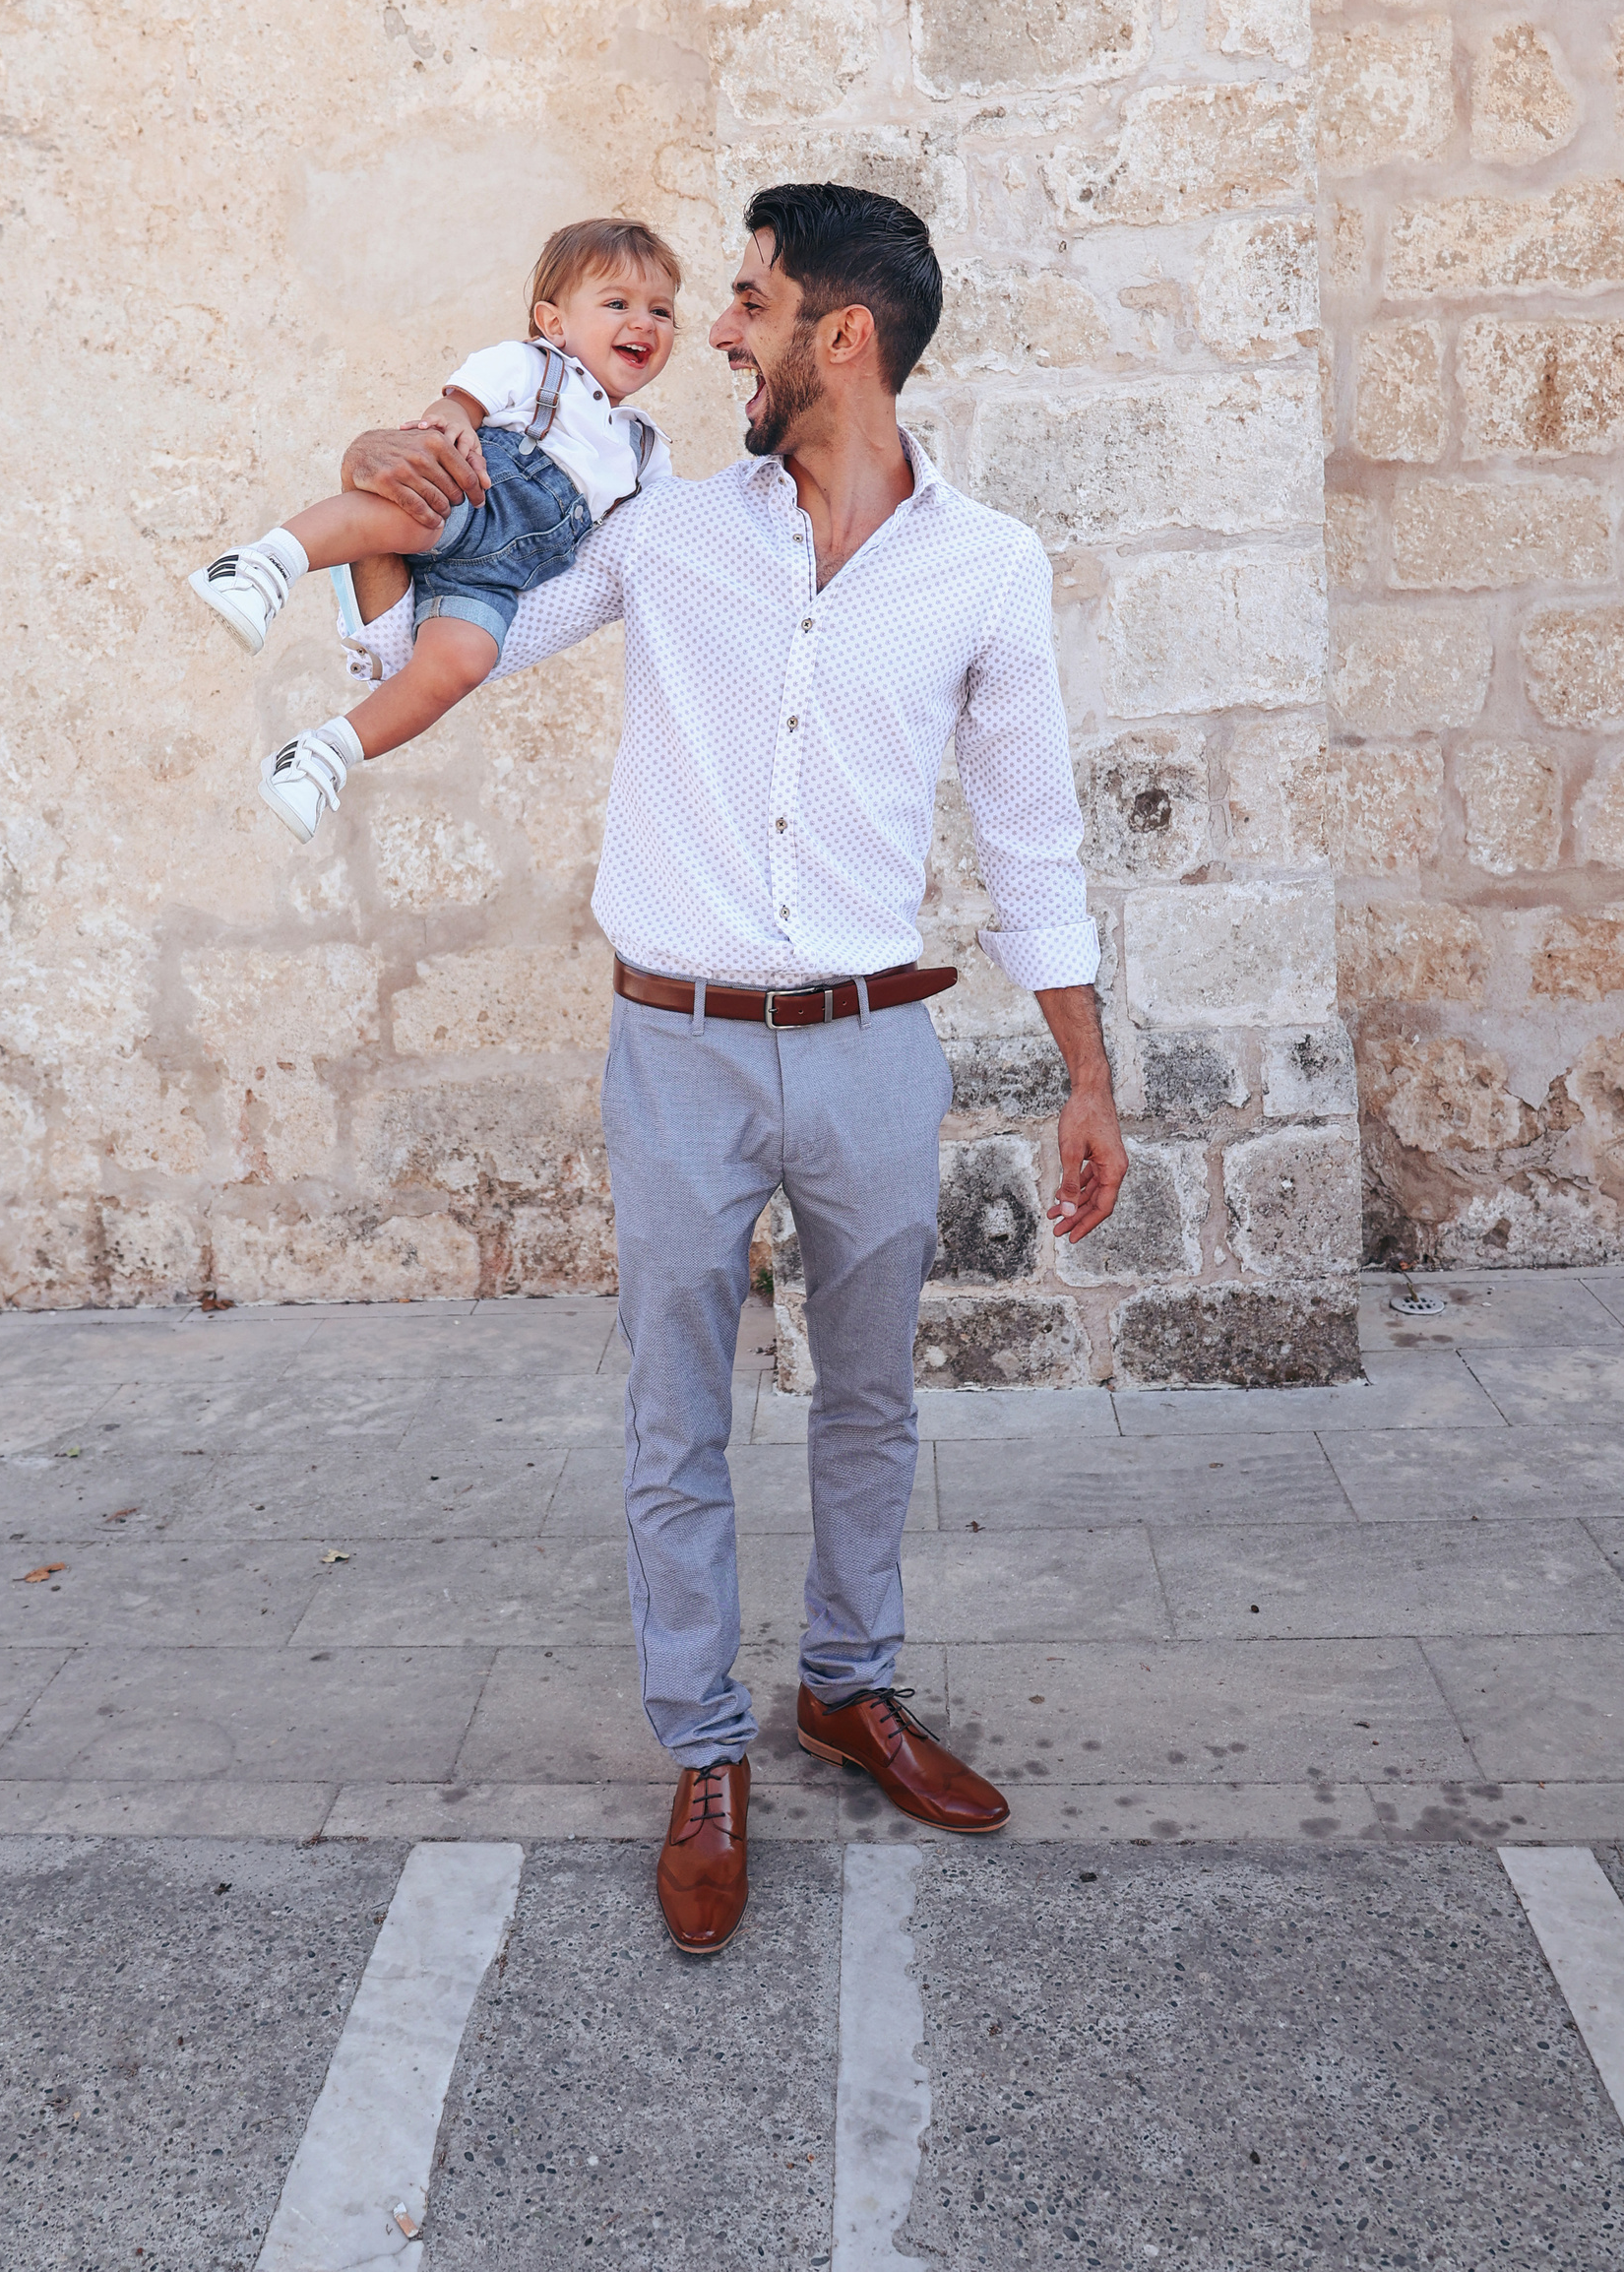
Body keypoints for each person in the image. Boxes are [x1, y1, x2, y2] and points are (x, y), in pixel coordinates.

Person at [338, 182, 1128, 1956]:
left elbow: (1034, 839)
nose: (713, 332)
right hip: (677, 1049)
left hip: (874, 1050)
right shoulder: (666, 530)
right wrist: (382, 511)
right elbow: (438, 652)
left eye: (750, 305)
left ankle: (849, 1689)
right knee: (675, 1414)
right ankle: (705, 1752)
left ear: (842, 338)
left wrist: (1088, 1077)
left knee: (871, 1401)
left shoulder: (988, 568)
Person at [187, 218, 678, 840]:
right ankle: (262, 565)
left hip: (502, 577)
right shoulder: (536, 367)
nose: (644, 323)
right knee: (411, 513)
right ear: (554, 323)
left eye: (661, 311)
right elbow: (458, 405)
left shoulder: (643, 446)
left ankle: (320, 756)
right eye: (617, 304)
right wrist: (450, 422)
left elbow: (663, 528)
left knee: (463, 662)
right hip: (480, 497)